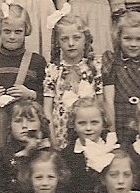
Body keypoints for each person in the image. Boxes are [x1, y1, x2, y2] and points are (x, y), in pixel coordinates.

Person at [0, 2, 46, 154]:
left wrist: (31, 94)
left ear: (26, 31)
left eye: (18, 32)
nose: (12, 36)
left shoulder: (37, 61)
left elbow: (45, 97)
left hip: (25, 125)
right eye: (7, 31)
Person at [43, 11, 105, 150]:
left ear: (86, 39)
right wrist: (53, 142)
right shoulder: (53, 70)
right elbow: (47, 109)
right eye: (65, 39)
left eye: (76, 38)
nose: (71, 43)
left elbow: (101, 104)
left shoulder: (95, 66)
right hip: (62, 135)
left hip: (90, 132)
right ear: (58, 42)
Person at [101, 12, 140, 147]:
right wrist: (112, 132)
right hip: (118, 118)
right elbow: (108, 100)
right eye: (127, 39)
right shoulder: (111, 60)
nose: (133, 44)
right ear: (119, 37)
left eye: (139, 39)